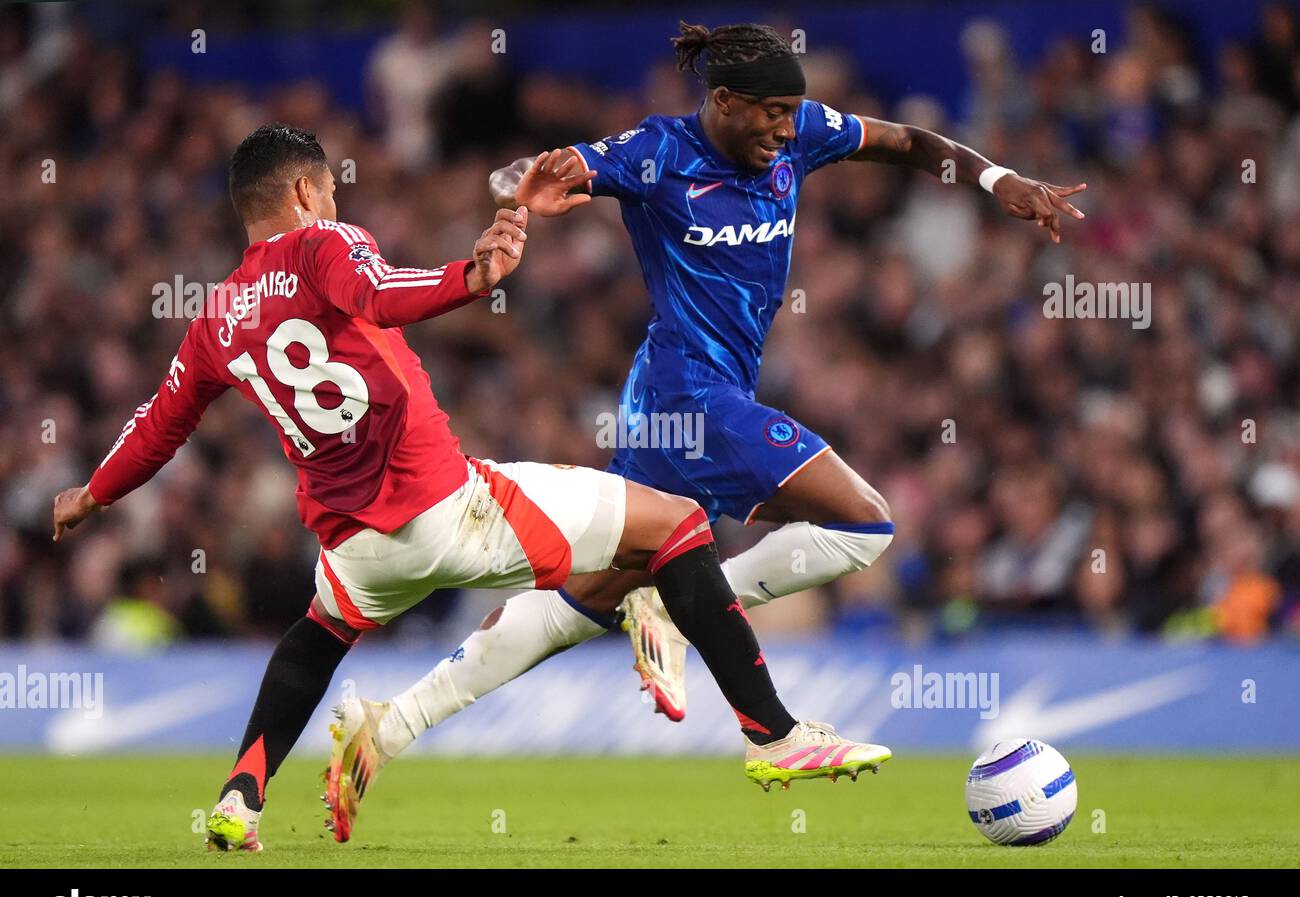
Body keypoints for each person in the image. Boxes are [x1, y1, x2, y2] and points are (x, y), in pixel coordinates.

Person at [51, 123, 890, 852]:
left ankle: (239, 796)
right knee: (674, 526)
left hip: (354, 545)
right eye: (332, 191)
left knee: (316, 636)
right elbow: (378, 294)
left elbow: (157, 423)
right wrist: (471, 277)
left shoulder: (218, 312)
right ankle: (772, 731)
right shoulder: (325, 245)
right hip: (447, 507)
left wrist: (90, 495)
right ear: (308, 190)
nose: (337, 205)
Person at [335, 21, 1085, 795]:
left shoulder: (801, 134)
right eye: (771, 114)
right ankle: (686, 615)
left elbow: (909, 143)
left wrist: (1000, 181)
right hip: (688, 395)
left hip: (680, 397)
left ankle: (387, 725)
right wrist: (520, 181)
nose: (787, 130)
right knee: (863, 522)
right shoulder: (657, 153)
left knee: (580, 603)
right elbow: (532, 170)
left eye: (794, 114)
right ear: (723, 100)